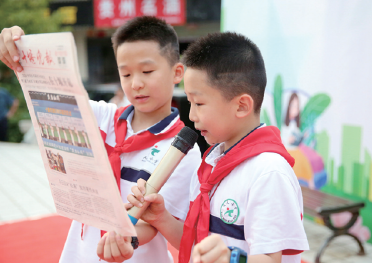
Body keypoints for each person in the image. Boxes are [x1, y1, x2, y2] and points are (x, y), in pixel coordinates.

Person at [0, 17, 201, 263]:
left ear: (177, 72)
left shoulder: (182, 150)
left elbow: (161, 222)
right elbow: (50, 96)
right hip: (79, 254)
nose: (135, 83)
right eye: (125, 73)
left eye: (147, 71)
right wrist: (18, 48)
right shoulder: (103, 118)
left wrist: (127, 239)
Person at [99, 32, 309, 263]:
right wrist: (161, 218)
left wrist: (230, 258)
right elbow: (194, 246)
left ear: (241, 106)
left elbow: (270, 258)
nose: (191, 115)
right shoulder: (211, 163)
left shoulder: (268, 172)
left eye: (199, 103)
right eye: (189, 103)